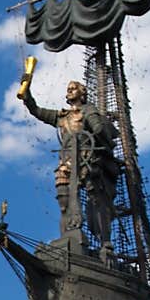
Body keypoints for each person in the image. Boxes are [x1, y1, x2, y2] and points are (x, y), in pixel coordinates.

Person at [19, 77, 120, 245]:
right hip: (66, 163)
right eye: (68, 88)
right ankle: (69, 237)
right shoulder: (62, 117)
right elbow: (36, 110)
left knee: (95, 198)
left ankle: (105, 242)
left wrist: (97, 138)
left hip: (87, 160)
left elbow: (99, 130)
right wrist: (27, 91)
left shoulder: (88, 111)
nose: (70, 90)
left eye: (74, 88)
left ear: (82, 93)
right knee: (64, 202)